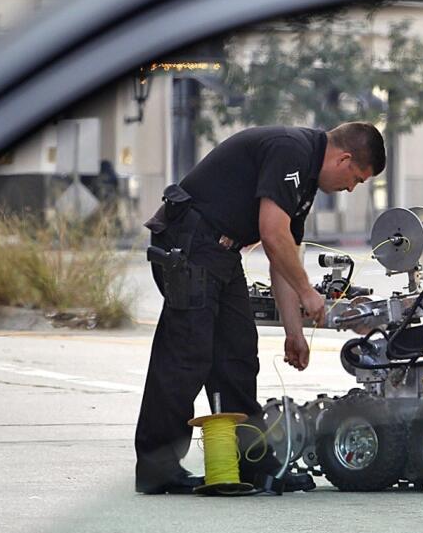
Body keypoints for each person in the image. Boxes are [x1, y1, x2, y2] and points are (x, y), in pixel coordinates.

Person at [134, 122, 386, 494]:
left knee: (237, 355)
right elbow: (271, 232)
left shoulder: (304, 183)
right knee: (187, 355)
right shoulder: (292, 151)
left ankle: (250, 462)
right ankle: (157, 469)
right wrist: (308, 293)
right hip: (189, 243)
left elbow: (281, 257)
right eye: (357, 179)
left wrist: (294, 333)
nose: (351, 188)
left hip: (220, 251)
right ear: (344, 158)